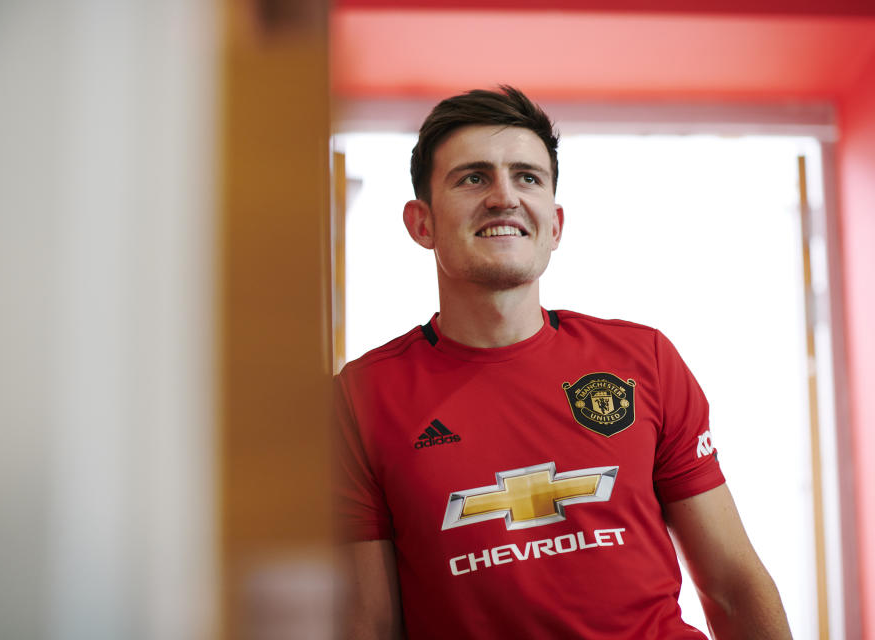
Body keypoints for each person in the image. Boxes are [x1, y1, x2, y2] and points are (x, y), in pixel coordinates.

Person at [334, 85, 791, 639]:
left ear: (554, 224)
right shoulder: (361, 398)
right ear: (421, 223)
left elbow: (732, 584)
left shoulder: (643, 359)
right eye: (473, 177)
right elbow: (370, 624)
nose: (504, 197)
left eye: (527, 177)